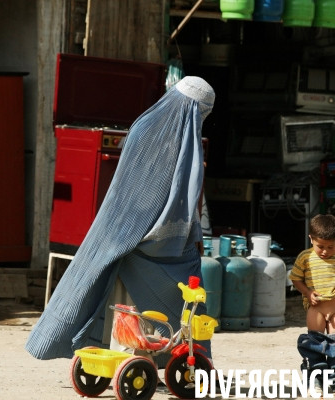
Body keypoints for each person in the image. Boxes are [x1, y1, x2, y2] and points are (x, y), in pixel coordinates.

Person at [25, 76, 215, 369]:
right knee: (189, 291)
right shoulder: (182, 140)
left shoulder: (142, 126)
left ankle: (133, 356)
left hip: (121, 230)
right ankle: (184, 360)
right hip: (153, 239)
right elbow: (179, 198)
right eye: (201, 113)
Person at [288, 214, 335, 396]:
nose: (325, 251)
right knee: (315, 346)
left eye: (330, 247)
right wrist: (308, 292)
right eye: (320, 246)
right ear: (311, 239)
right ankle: (314, 381)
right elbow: (295, 278)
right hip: (316, 309)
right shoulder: (305, 257)